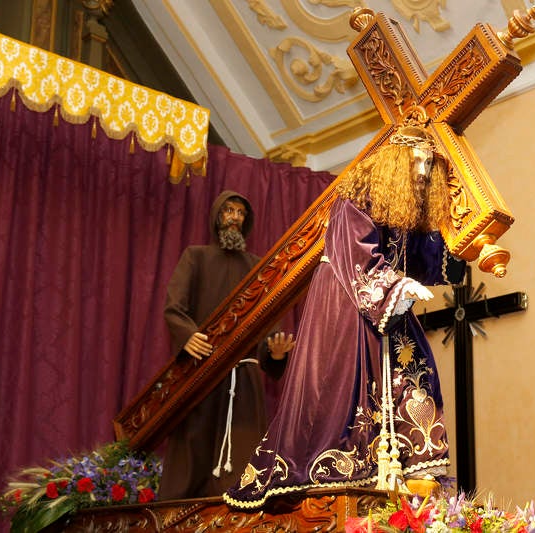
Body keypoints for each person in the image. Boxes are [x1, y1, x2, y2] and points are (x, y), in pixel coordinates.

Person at [223, 106, 466, 509]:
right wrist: (396, 286)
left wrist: (458, 248)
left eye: (429, 162)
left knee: (417, 377)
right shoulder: (356, 197)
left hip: (389, 304)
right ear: (395, 160)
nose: (423, 171)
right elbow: (355, 254)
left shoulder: (405, 209)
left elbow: (424, 255)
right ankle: (341, 474)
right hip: (349, 305)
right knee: (347, 391)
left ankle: (415, 476)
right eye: (418, 160)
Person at [158, 190, 295, 500]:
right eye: (229, 211)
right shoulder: (196, 257)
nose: (235, 217)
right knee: (192, 455)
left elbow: (266, 319)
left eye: (240, 213)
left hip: (243, 380)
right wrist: (187, 334)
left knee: (243, 464)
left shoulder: (258, 267)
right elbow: (174, 308)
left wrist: (273, 352)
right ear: (217, 216)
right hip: (199, 375)